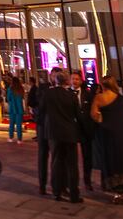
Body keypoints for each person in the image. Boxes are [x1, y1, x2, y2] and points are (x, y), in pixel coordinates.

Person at [91, 74, 123, 204]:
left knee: (112, 160)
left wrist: (102, 120)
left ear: (102, 84)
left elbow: (94, 115)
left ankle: (117, 193)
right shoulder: (120, 98)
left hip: (108, 134)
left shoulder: (99, 98)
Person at [47, 71, 82, 203]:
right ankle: (74, 193)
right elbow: (78, 115)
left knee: (56, 162)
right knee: (72, 165)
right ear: (66, 81)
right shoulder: (71, 96)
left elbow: (42, 111)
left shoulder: (48, 94)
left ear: (56, 81)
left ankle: (57, 192)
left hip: (54, 133)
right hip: (69, 133)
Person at [36, 67, 61, 194]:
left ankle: (57, 185)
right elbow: (36, 103)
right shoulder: (43, 88)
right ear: (51, 76)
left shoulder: (62, 91)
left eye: (58, 76)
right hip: (43, 125)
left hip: (55, 127)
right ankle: (42, 184)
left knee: (56, 155)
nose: (55, 78)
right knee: (43, 154)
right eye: (54, 76)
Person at [71, 70, 96, 190]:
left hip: (86, 129)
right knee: (71, 157)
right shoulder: (66, 93)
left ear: (81, 81)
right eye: (73, 79)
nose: (75, 81)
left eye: (77, 79)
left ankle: (87, 180)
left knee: (87, 156)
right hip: (71, 129)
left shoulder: (87, 94)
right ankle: (72, 180)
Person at [6, 76, 25, 143]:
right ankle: (19, 139)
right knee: (19, 124)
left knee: (11, 124)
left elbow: (8, 98)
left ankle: (11, 138)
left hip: (12, 109)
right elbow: (22, 97)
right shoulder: (21, 89)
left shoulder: (10, 89)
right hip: (19, 108)